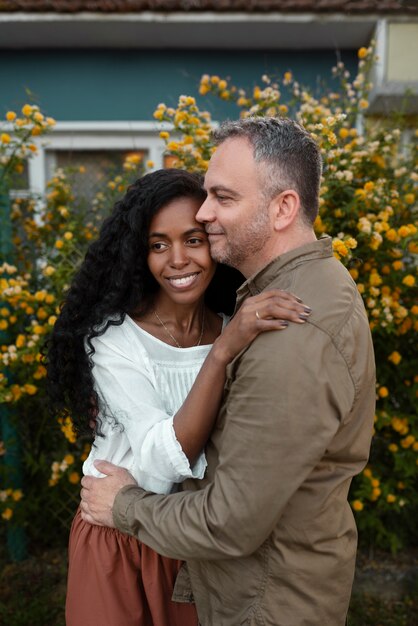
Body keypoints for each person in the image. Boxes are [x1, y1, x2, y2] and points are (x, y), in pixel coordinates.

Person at [80, 118, 376, 626]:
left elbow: (231, 521)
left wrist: (124, 506)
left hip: (266, 602)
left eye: (223, 197)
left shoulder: (293, 329)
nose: (204, 211)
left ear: (283, 207)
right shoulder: (276, 302)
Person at [46, 167, 310, 626]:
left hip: (198, 538)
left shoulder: (236, 326)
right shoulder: (115, 340)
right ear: (138, 254)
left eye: (194, 239)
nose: (178, 260)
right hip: (118, 537)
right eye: (158, 245)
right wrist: (221, 354)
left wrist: (227, 340)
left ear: (216, 241)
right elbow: (156, 464)